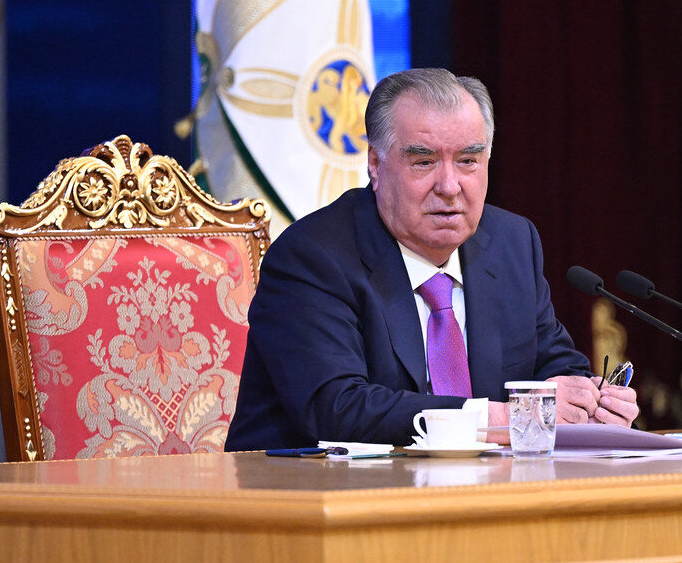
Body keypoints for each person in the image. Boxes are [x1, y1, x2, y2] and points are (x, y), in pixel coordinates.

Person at [225, 68, 638, 451]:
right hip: (316, 495)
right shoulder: (312, 257)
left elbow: (555, 367)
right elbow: (338, 408)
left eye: (467, 161)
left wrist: (591, 404)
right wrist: (502, 418)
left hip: (485, 492)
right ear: (375, 164)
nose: (449, 186)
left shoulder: (510, 244)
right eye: (424, 162)